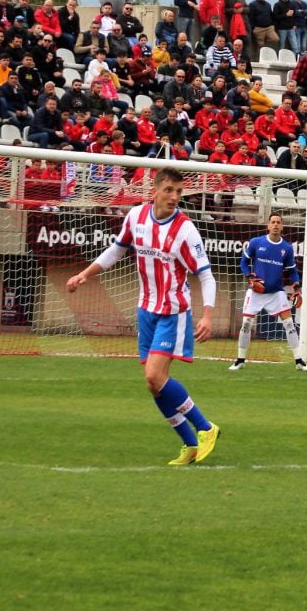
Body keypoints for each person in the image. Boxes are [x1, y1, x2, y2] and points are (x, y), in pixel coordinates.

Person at [65, 167, 221, 466]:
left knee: (154, 375)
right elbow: (115, 250)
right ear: (155, 190)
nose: (175, 197)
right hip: (145, 310)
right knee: (153, 383)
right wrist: (84, 274)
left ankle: (205, 427)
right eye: (169, 190)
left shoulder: (186, 230)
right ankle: (189, 445)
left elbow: (206, 275)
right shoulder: (135, 217)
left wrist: (208, 316)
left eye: (179, 192)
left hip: (173, 311)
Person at [228, 214, 307, 372]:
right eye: (273, 222)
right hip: (256, 292)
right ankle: (240, 360)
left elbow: (293, 271)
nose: (275, 225)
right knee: (246, 324)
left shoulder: (286, 248)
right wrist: (249, 276)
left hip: (276, 292)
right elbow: (243, 262)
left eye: (278, 223)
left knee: (289, 324)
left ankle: (299, 361)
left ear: (282, 227)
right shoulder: (256, 242)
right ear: (268, 225)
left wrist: (297, 286)